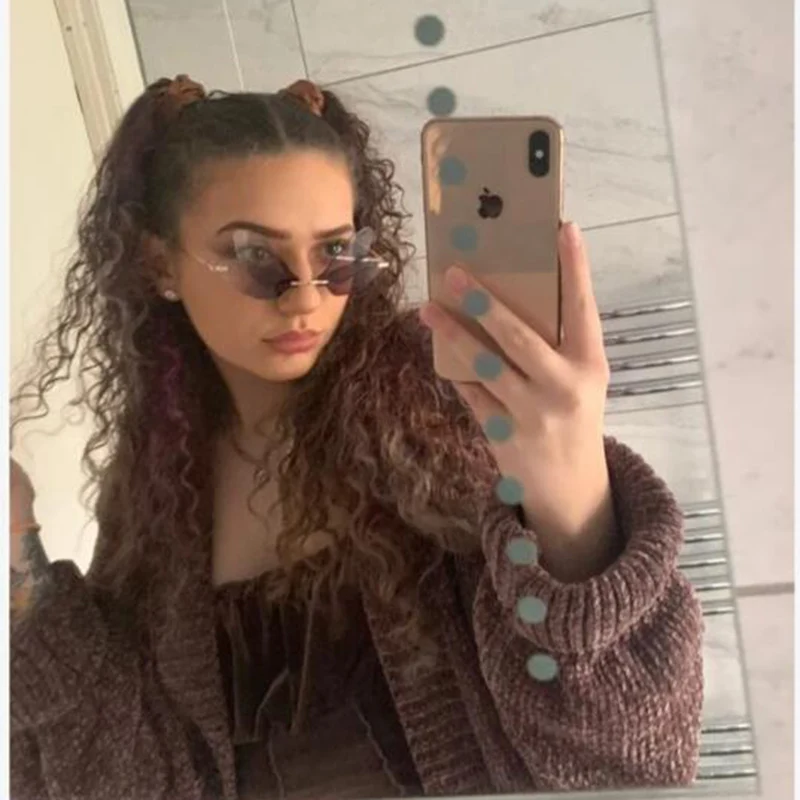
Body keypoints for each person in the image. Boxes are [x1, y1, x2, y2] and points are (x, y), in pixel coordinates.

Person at [9, 75, 704, 800]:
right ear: (161, 266)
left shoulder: (433, 410)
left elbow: (630, 759)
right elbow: (119, 775)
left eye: (335, 252)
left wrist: (572, 495)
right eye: (253, 255)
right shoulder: (154, 490)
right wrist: (18, 558)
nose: (306, 298)